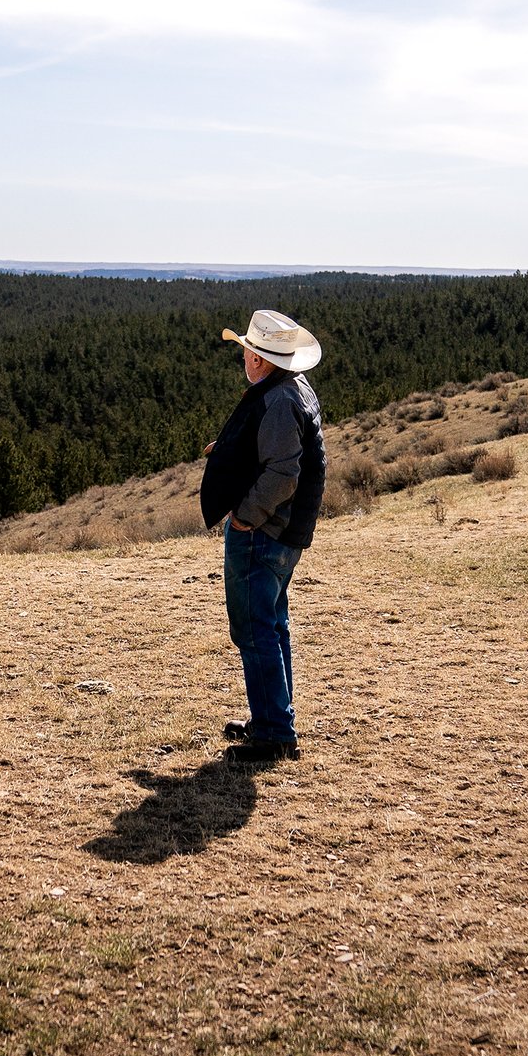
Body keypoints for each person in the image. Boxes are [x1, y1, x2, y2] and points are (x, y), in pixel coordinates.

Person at [198, 309, 326, 763]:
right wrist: (231, 452)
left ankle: (274, 734)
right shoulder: (295, 388)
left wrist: (245, 518)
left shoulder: (274, 401)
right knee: (272, 626)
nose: (246, 358)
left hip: (265, 530)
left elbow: (282, 472)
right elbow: (281, 454)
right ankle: (273, 718)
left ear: (257, 359)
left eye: (248, 350)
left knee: (255, 629)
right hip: (286, 531)